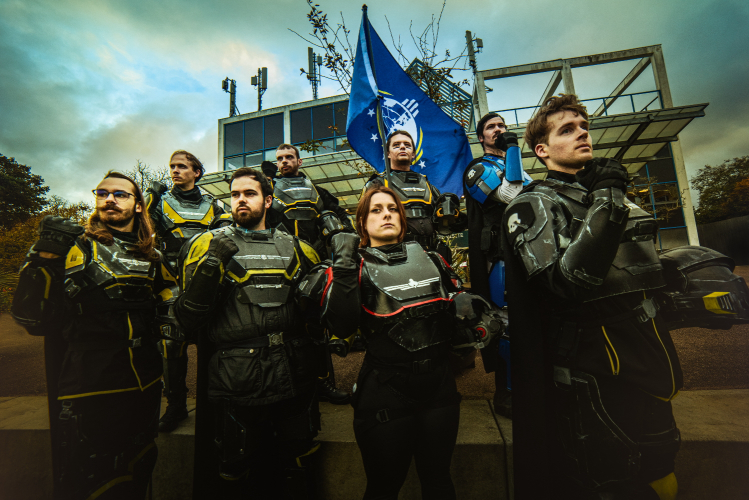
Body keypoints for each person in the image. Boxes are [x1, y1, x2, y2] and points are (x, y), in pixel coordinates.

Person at [502, 94, 682, 500]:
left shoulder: (601, 191)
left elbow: (637, 273)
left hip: (648, 355)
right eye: (567, 129)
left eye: (584, 127)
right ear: (542, 150)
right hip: (593, 372)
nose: (582, 133)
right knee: (609, 480)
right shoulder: (532, 203)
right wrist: (608, 197)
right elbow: (567, 283)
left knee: (661, 468)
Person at [315, 185, 502, 500]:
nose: (386, 214)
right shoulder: (353, 266)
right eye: (376, 210)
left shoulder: (432, 259)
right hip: (385, 394)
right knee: (383, 488)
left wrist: (468, 312)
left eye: (392, 209)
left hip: (439, 390)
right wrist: (344, 261)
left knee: (439, 481)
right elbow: (342, 324)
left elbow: (459, 317)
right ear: (362, 223)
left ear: (402, 220)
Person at [11, 171, 177, 499]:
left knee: (140, 464)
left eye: (120, 194)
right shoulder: (73, 245)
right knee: (93, 477)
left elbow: (170, 298)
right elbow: (32, 318)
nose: (109, 199)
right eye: (102, 193)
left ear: (139, 205)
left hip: (144, 381)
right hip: (91, 382)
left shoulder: (152, 254)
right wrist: (44, 258)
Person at [175, 167, 326, 499]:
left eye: (249, 193)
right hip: (237, 379)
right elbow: (186, 319)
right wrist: (212, 264)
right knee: (235, 469)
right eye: (235, 194)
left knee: (296, 461)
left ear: (268, 200)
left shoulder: (300, 248)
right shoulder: (204, 244)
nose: (240, 200)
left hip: (294, 374)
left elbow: (317, 320)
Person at [145, 150, 225, 432]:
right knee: (170, 344)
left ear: (196, 172)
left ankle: (214, 403)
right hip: (171, 283)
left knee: (214, 343)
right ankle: (176, 405)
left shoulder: (213, 204)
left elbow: (227, 233)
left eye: (182, 166)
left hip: (206, 283)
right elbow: (138, 223)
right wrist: (150, 195)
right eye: (172, 166)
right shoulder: (161, 202)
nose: (175, 171)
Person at [267, 143, 354, 404]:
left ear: (299, 161)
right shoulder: (268, 189)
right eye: (280, 158)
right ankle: (287, 386)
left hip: (314, 264)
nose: (284, 161)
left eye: (289, 157)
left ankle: (322, 383)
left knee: (315, 326)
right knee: (280, 324)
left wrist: (346, 243)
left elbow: (341, 218)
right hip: (280, 263)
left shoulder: (317, 190)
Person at [463, 113, 532, 418]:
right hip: (498, 259)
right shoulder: (476, 168)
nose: (499, 130)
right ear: (481, 137)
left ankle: (532, 386)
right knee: (505, 325)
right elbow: (510, 194)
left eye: (502, 126)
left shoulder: (516, 166)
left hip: (527, 253)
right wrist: (514, 148)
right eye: (491, 127)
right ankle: (506, 392)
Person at [363, 130, 466, 265]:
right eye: (396, 145)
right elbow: (364, 222)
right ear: (388, 153)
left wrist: (456, 219)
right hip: (394, 257)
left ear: (413, 154)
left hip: (430, 255)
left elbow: (444, 223)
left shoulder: (427, 184)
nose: (402, 147)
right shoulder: (377, 184)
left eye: (407, 145)